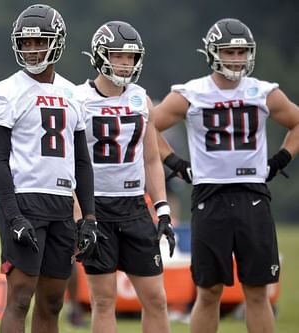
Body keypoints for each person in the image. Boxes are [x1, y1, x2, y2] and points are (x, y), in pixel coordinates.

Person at [154, 18, 299, 333]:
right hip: (210, 196)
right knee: (209, 291)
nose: (236, 58)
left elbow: (297, 121)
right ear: (212, 52)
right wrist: (176, 164)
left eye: (241, 52)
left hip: (252, 194)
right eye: (229, 51)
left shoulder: (263, 92)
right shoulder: (191, 93)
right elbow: (147, 126)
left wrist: (281, 159)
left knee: (257, 292)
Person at [0, 4, 97, 333]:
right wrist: (14, 215)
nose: (32, 50)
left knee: (53, 302)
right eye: (26, 43)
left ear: (56, 42)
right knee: (19, 297)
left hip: (60, 203)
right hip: (25, 200)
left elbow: (82, 161)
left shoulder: (73, 94)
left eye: (39, 42)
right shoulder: (5, 93)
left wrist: (88, 217)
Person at [76, 21, 175, 333]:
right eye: (118, 55)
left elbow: (151, 159)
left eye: (130, 57)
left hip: (133, 207)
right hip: (96, 208)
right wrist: (80, 216)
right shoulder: (78, 99)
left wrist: (162, 208)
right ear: (101, 55)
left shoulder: (141, 99)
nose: (126, 63)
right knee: (103, 301)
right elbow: (68, 163)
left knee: (157, 299)